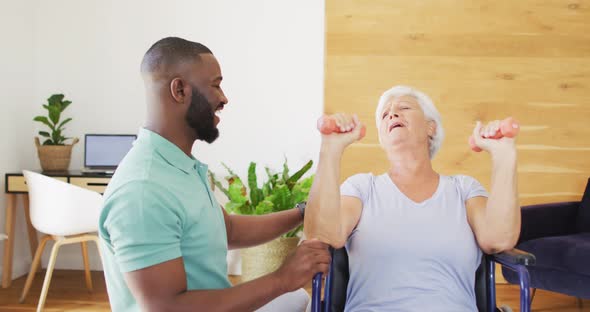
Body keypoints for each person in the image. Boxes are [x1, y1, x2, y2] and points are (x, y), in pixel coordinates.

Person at [98, 37, 330, 312]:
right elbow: (167, 308)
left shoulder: (177, 166)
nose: (224, 98)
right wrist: (283, 278)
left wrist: (303, 212)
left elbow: (227, 229)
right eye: (215, 85)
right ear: (180, 90)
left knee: (297, 300)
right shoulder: (143, 191)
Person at [304, 85, 520, 311]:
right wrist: (331, 148)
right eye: (385, 115)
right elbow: (322, 232)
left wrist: (504, 155)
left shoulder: (463, 189)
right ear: (382, 138)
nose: (392, 114)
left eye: (404, 107)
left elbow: (499, 239)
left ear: (431, 127)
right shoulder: (362, 188)